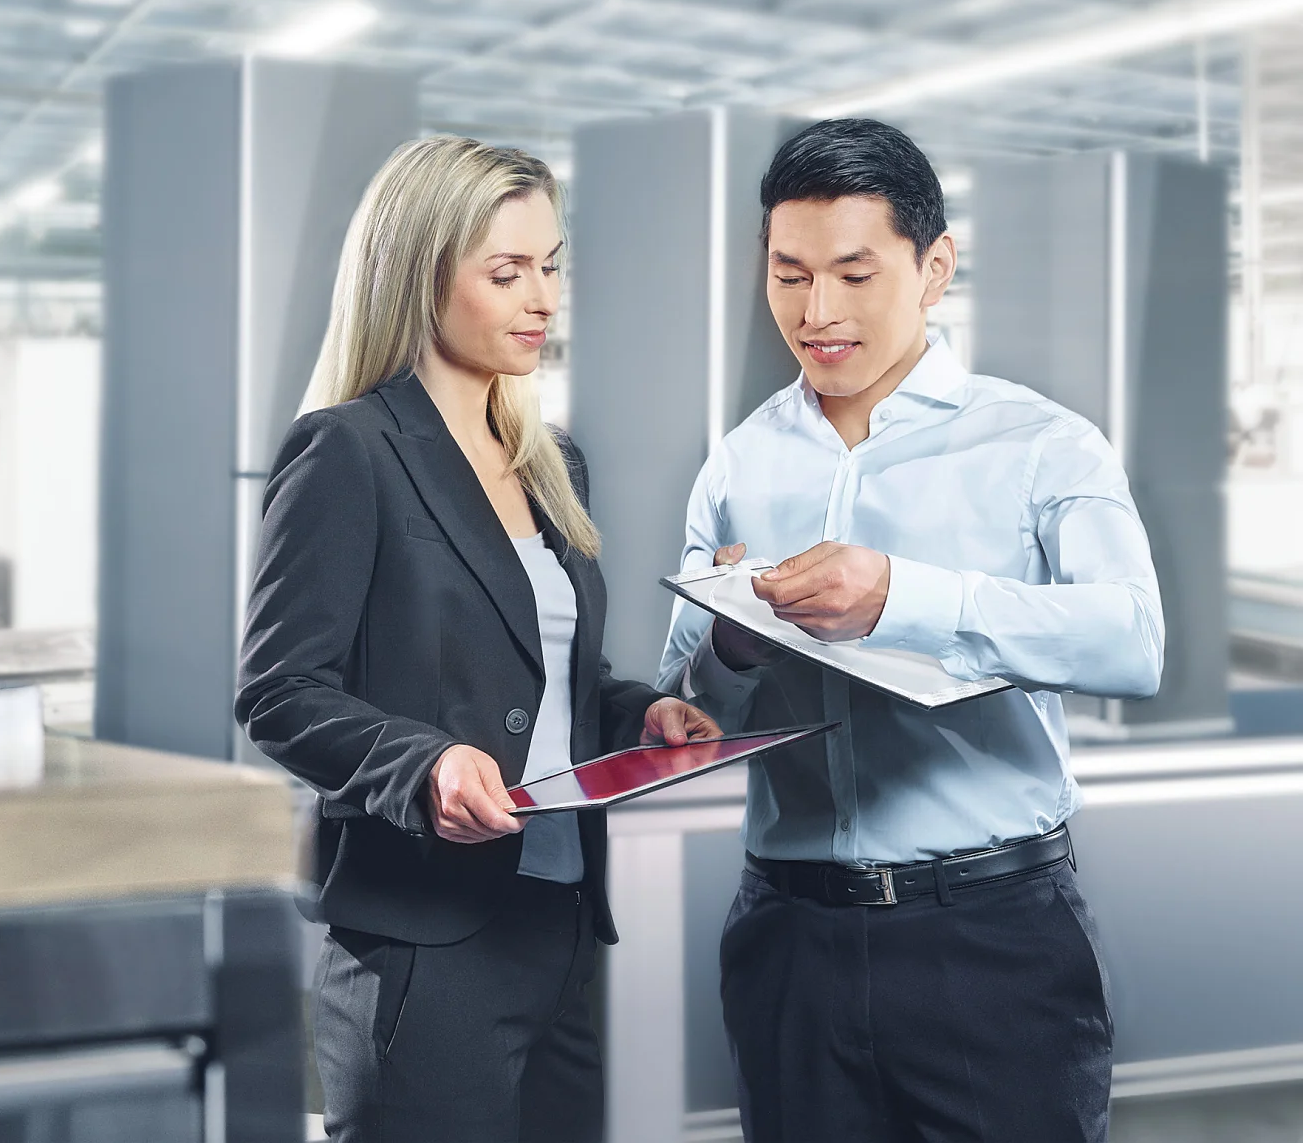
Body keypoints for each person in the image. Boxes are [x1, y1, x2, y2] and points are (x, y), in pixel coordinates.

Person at [661, 118, 1163, 1143]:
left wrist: (906, 598)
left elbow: (1130, 638)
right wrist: (734, 642)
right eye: (789, 274)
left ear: (933, 269)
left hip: (989, 938)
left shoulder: (1039, 443)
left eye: (853, 273)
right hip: (787, 934)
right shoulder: (738, 465)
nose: (816, 311)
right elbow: (693, 700)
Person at [238, 135, 718, 1143]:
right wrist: (424, 766)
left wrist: (641, 713)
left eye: (551, 267)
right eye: (506, 273)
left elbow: (552, 678)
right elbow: (279, 691)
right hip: (423, 937)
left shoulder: (552, 463)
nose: (541, 298)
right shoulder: (348, 451)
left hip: (557, 920)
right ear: (419, 277)